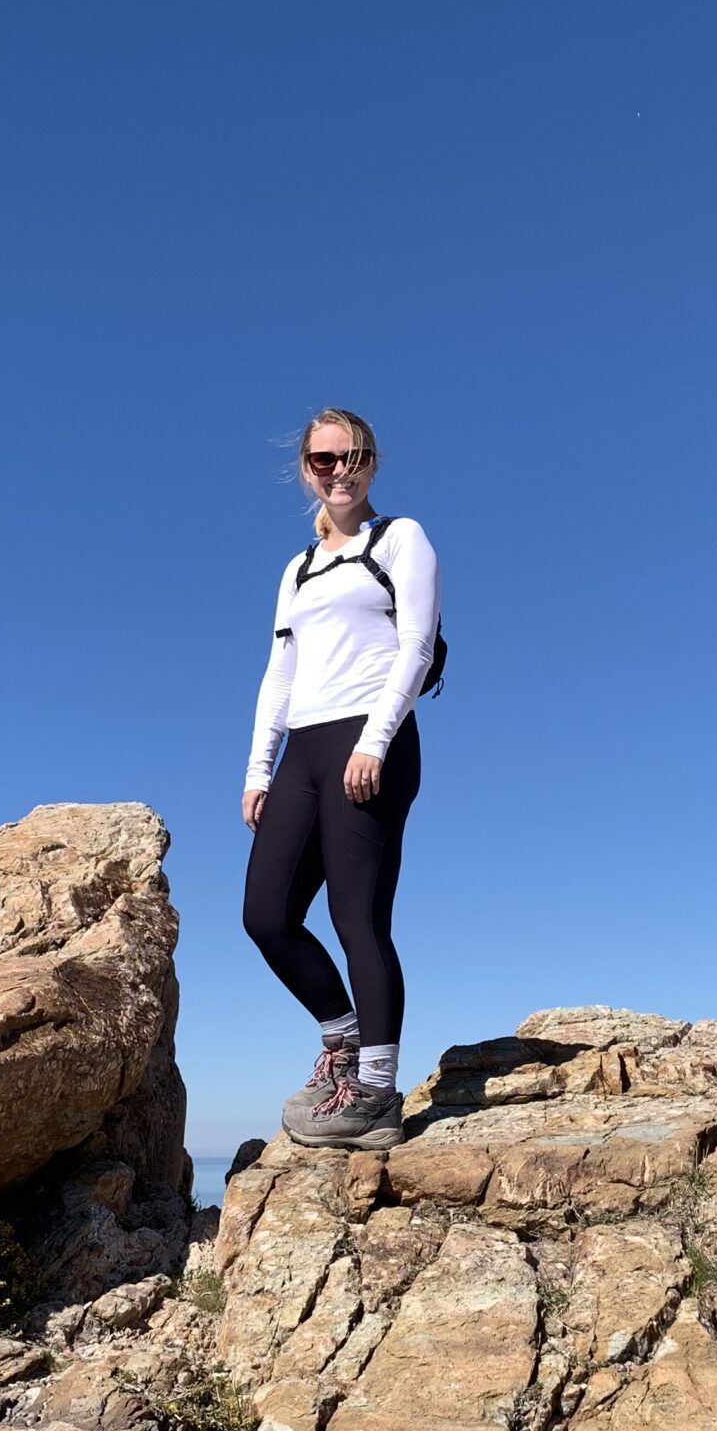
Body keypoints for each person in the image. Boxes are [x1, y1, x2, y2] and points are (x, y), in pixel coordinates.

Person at [241, 407, 441, 1151]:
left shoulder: (401, 539)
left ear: (372, 463)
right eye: (323, 460)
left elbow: (416, 647)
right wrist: (260, 768)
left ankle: (379, 1097)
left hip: (373, 740)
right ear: (305, 469)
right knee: (266, 915)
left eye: (351, 457)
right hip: (305, 750)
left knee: (358, 919)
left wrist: (375, 743)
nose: (338, 471)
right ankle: (344, 1045)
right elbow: (279, 673)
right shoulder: (297, 569)